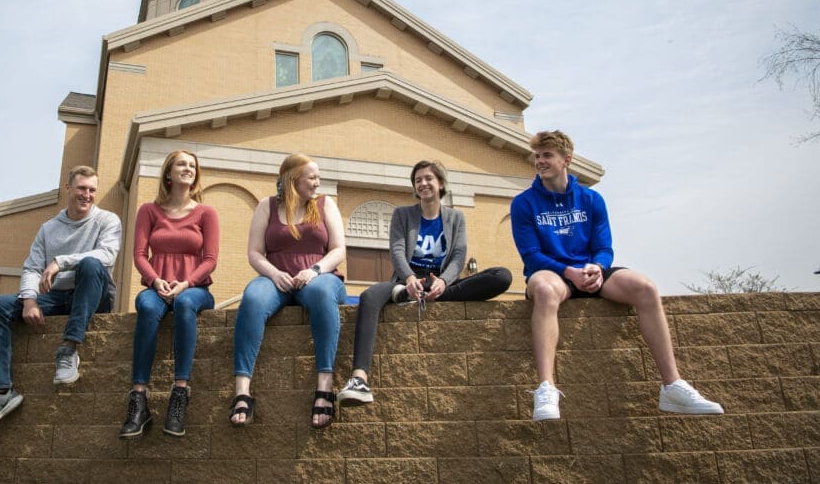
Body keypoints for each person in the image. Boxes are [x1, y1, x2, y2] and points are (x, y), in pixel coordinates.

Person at [511, 130, 723, 421]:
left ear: (566, 160)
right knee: (546, 291)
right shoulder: (523, 203)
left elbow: (604, 247)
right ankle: (546, 389)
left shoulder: (591, 199)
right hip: (553, 273)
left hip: (590, 271)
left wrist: (597, 267)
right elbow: (531, 255)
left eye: (547, 155)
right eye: (537, 156)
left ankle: (672, 386)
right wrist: (567, 271)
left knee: (645, 287)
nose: (540, 161)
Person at [337, 160, 513, 405]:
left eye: (428, 178)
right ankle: (359, 378)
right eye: (418, 180)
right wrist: (409, 277)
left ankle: (423, 296)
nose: (423, 183)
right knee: (369, 296)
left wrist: (443, 281)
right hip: (406, 280)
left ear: (441, 183)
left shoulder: (455, 218)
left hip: (441, 283)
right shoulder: (403, 215)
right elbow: (397, 250)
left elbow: (459, 255)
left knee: (502, 276)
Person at [0, 165, 121, 433]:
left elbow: (107, 255)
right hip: (56, 297)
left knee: (91, 265)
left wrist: (61, 262)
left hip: (93, 295)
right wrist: (29, 300)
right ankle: (1, 391)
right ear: (68, 188)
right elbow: (31, 268)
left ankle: (69, 349)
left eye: (92, 190)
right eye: (82, 188)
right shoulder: (48, 228)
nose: (87, 195)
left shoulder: (107, 220)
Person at [230, 154, 347, 429]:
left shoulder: (324, 204)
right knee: (253, 297)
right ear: (293, 179)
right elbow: (255, 252)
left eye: (318, 177)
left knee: (320, 294)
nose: (318, 183)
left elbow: (338, 249)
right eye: (312, 177)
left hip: (320, 277)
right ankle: (242, 391)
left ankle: (324, 387)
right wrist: (273, 273)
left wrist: (315, 271)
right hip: (277, 279)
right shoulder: (266, 207)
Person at [119, 150, 219, 439]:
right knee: (147, 308)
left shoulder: (206, 212)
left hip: (195, 290)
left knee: (186, 304)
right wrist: (155, 281)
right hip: (156, 288)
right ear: (168, 172)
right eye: (181, 164)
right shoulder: (148, 211)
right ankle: (138, 401)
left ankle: (180, 393)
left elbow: (210, 259)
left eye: (192, 165)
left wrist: (186, 284)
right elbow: (139, 255)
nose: (188, 169)